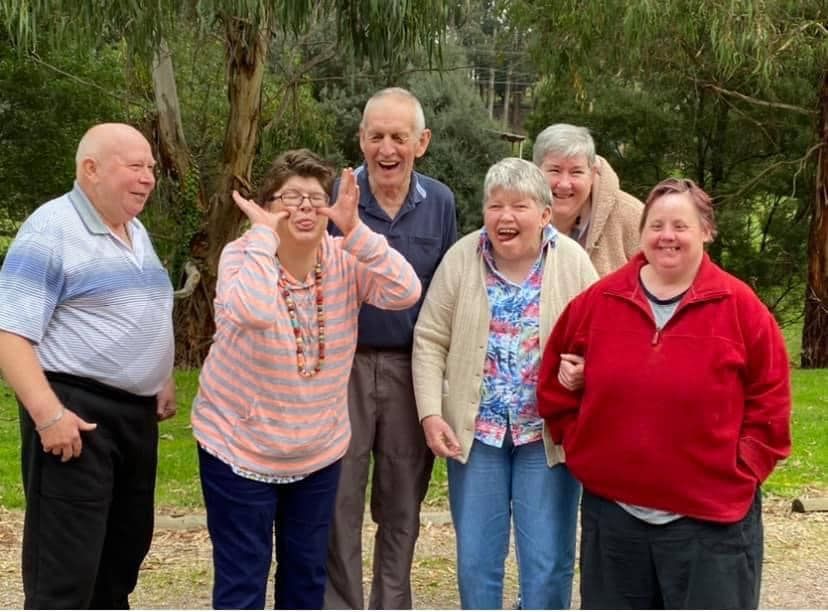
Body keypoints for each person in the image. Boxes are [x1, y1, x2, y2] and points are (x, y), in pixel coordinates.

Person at [537, 178, 792, 609]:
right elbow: (553, 382)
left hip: (711, 520)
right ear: (642, 232)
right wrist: (584, 446)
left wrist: (743, 465)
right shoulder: (600, 301)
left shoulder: (740, 308)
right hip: (616, 520)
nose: (667, 236)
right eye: (656, 225)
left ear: (706, 232)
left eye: (680, 225)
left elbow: (771, 399)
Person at [191, 149, 421, 610]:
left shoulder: (343, 259)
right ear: (265, 207)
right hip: (239, 448)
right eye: (290, 198)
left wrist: (355, 230)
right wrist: (261, 236)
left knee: (305, 579)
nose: (305, 208)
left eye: (316, 199)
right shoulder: (243, 257)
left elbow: (405, 290)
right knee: (242, 579)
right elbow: (253, 311)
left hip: (316, 451)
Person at [0, 123, 176, 609]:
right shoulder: (52, 228)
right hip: (74, 414)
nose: (148, 179)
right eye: (136, 167)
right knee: (66, 573)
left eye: (152, 169)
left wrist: (160, 378)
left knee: (120, 559)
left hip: (135, 418)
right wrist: (49, 415)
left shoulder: (134, 230)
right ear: (90, 169)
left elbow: (134, 310)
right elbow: (9, 333)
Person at [412, 157, 598, 609]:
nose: (505, 217)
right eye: (495, 206)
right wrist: (431, 412)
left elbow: (603, 338)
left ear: (545, 215)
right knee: (476, 560)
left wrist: (582, 368)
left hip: (546, 436)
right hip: (476, 437)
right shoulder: (462, 257)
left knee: (548, 562)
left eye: (519, 206)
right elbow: (430, 338)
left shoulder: (571, 261)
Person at [325, 87, 457, 609]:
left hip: (410, 371)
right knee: (339, 500)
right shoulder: (337, 198)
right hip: (342, 369)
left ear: (420, 142)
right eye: (376, 136)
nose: (387, 148)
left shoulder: (441, 203)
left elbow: (447, 292)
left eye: (398, 137)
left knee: (402, 504)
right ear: (361, 139)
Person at [533, 123, 643, 277]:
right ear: (536, 171)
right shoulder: (515, 215)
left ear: (592, 174)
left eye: (576, 172)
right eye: (554, 170)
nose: (564, 184)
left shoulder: (633, 216)